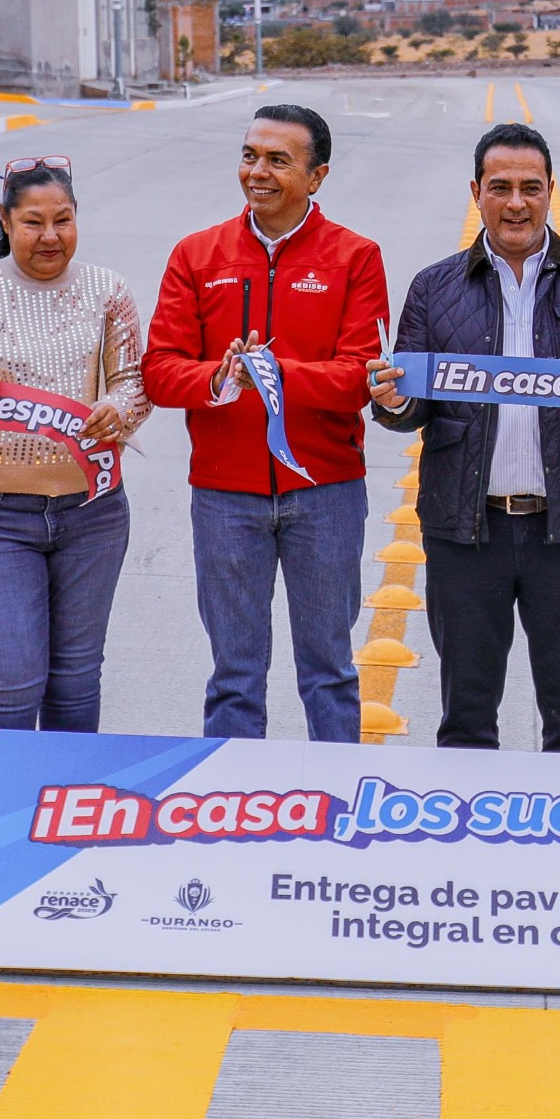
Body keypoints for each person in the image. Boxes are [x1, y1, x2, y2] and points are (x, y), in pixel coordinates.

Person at [364, 124, 560, 752]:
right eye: (501, 187)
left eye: (530, 188)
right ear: (476, 193)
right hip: (464, 531)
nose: (516, 203)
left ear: (549, 192)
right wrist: (393, 402)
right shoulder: (434, 287)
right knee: (464, 720)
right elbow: (411, 407)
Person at [143, 105, 388, 742]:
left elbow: (358, 378)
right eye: (251, 155)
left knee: (329, 672)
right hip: (225, 498)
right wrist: (220, 381)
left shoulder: (356, 256)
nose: (259, 171)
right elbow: (161, 371)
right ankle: (232, 811)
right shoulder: (197, 254)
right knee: (234, 675)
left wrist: (272, 372)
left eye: (279, 160)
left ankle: (339, 807)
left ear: (318, 175)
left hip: (325, 494)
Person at [0, 157, 148, 731]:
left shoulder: (107, 290)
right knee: (10, 685)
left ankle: (64, 813)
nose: (50, 237)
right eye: (32, 222)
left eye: (63, 220)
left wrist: (116, 412)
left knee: (75, 682)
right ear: (4, 220)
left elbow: (135, 385)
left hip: (93, 515)